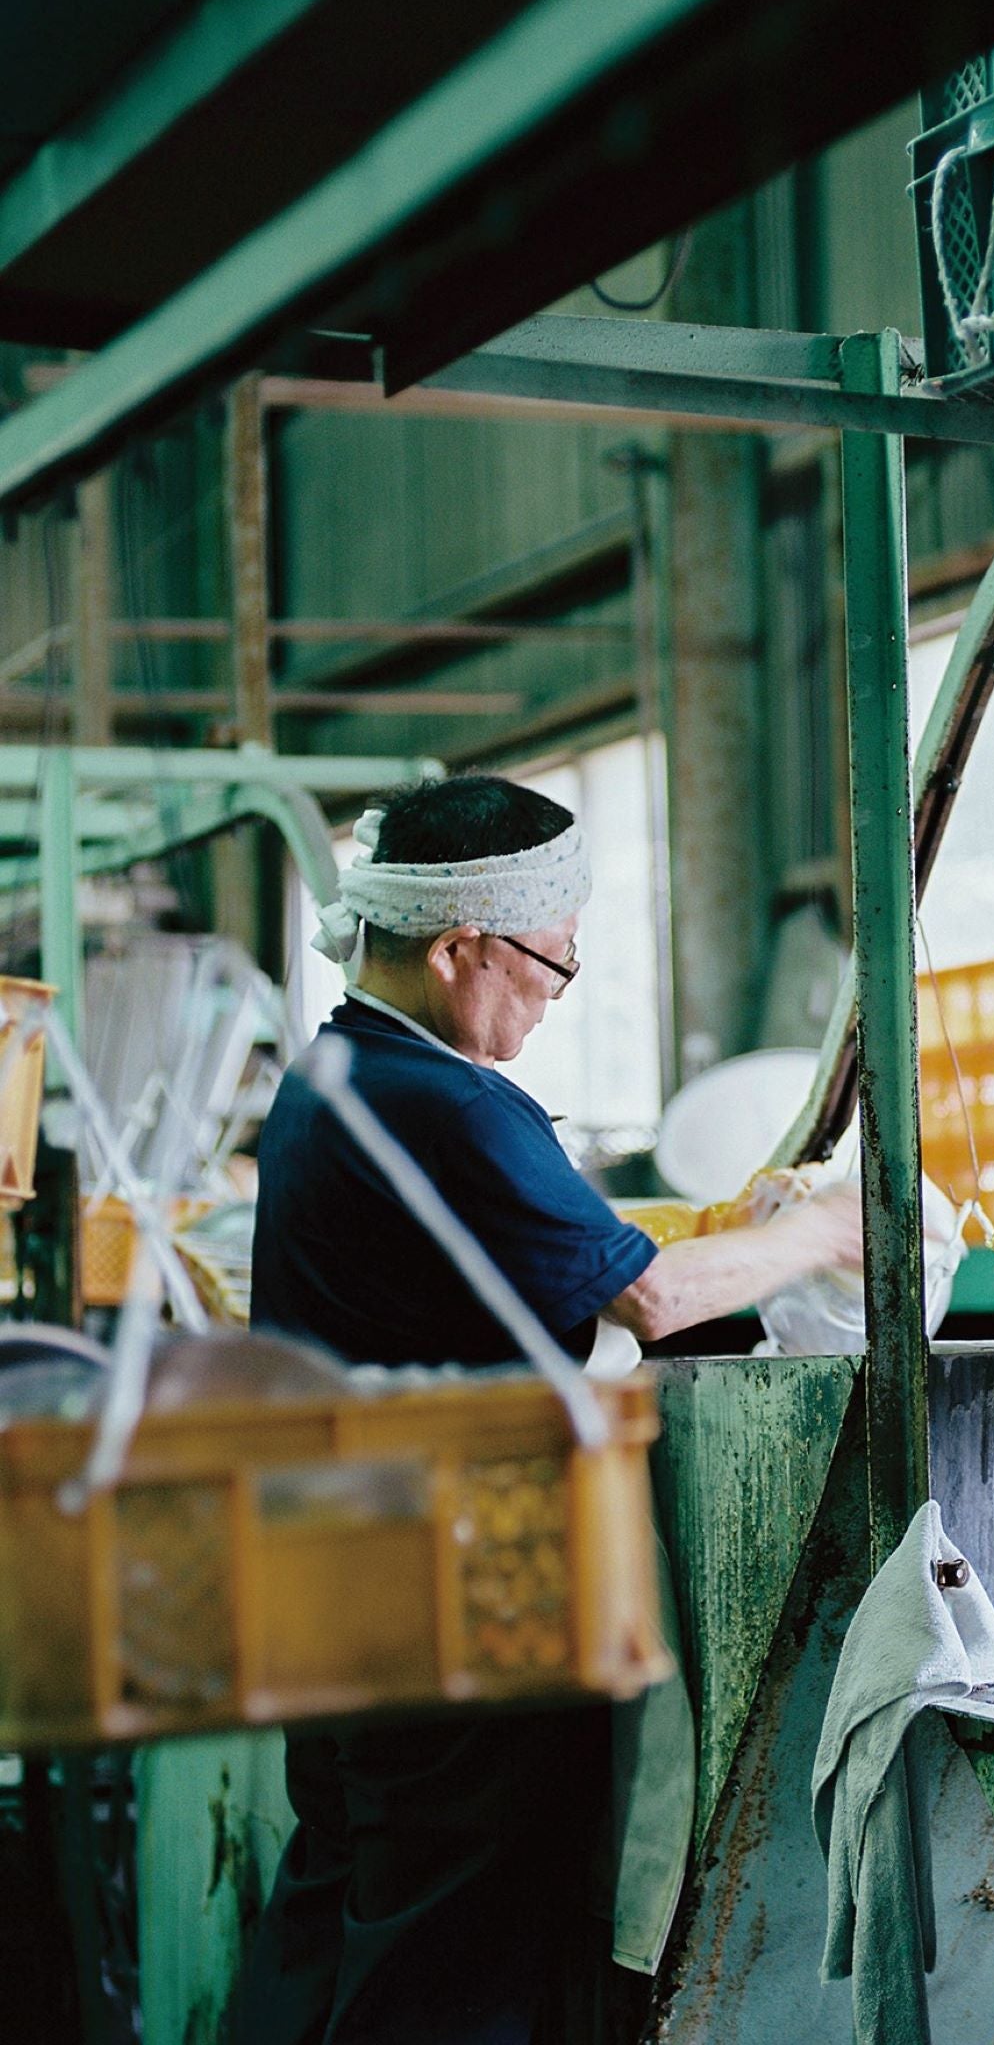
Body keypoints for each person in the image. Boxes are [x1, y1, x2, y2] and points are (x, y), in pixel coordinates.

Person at [238, 774, 860, 2045]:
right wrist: (822, 1233)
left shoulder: (338, 1072)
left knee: (343, 1912)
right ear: (461, 946)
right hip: (454, 1608)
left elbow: (560, 1258)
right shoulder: (446, 1100)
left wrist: (741, 1234)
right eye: (549, 963)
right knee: (447, 1963)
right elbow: (651, 1296)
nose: (553, 987)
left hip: (341, 1587)